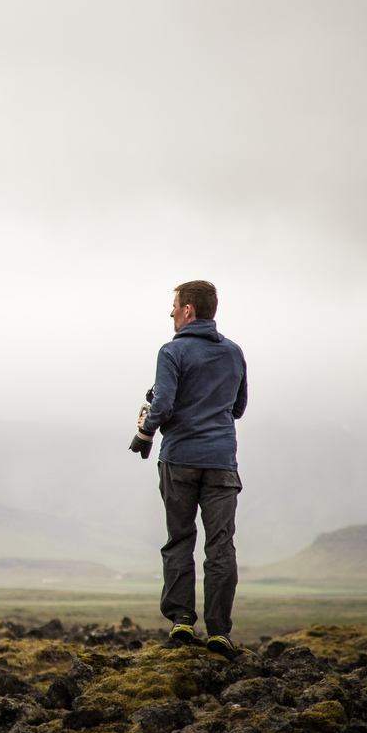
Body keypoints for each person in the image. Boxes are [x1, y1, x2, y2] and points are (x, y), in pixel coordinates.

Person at [128, 280, 248, 659]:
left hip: (180, 459)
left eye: (173, 306)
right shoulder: (234, 353)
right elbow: (238, 408)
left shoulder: (172, 352)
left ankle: (181, 619)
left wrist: (145, 428)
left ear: (188, 311)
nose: (170, 313)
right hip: (221, 464)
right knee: (220, 546)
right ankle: (219, 632)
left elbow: (162, 406)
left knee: (180, 539)